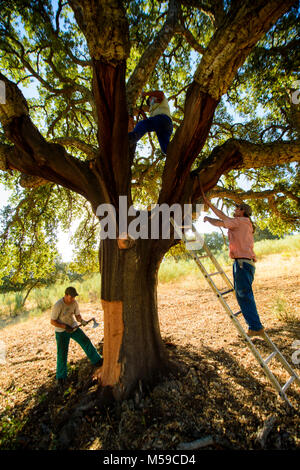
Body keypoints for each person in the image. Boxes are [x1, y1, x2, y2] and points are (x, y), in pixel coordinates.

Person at [201, 188, 265, 338]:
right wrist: (209, 204)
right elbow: (223, 216)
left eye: (237, 208)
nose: (234, 210)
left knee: (244, 294)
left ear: (242, 211)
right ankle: (254, 325)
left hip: (242, 263)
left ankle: (255, 326)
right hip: (244, 263)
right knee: (243, 294)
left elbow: (220, 222)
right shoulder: (242, 222)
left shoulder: (241, 221)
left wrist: (209, 219)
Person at [51, 286, 103, 386]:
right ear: (66, 295)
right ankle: (61, 377)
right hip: (61, 332)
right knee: (62, 353)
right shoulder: (58, 305)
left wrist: (82, 321)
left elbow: (77, 315)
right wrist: (64, 326)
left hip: (73, 328)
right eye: (71, 297)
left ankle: (97, 360)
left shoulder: (74, 303)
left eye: (74, 297)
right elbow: (52, 321)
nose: (73, 299)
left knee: (85, 341)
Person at [128, 90, 173, 155]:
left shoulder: (159, 98)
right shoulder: (153, 110)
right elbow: (149, 124)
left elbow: (160, 93)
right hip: (163, 128)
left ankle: (131, 138)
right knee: (165, 149)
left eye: (150, 99)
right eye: (149, 102)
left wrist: (146, 93)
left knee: (142, 123)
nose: (150, 101)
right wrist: (143, 114)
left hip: (164, 119)